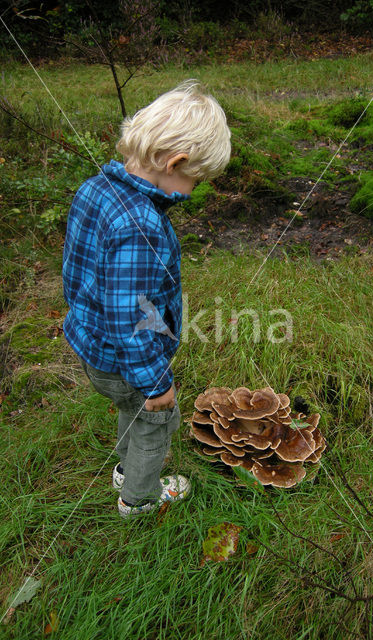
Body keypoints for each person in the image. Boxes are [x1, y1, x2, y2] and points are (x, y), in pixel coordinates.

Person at [62, 81, 231, 517]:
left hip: (90, 342)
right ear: (175, 162)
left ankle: (125, 466)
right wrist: (157, 382)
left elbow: (80, 270)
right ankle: (139, 497)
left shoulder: (96, 187)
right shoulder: (140, 226)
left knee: (130, 407)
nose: (193, 190)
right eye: (195, 179)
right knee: (155, 419)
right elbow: (127, 318)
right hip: (124, 356)